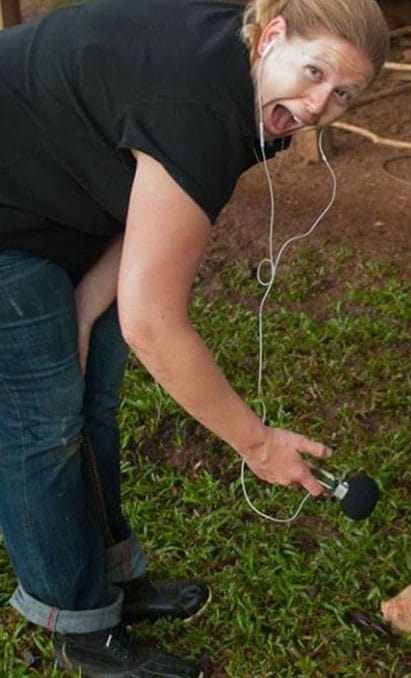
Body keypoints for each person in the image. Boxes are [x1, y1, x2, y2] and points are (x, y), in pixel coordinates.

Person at [0, 0, 390, 675]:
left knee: (92, 398)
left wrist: (87, 310)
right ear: (273, 37)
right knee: (43, 426)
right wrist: (258, 444)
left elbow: (147, 189)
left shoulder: (255, 87)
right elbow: (151, 321)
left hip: (57, 192)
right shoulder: (204, 105)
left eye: (343, 94)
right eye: (315, 71)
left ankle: (112, 583)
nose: (321, 102)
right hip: (8, 215)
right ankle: (80, 629)